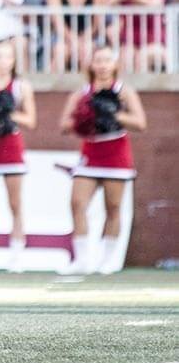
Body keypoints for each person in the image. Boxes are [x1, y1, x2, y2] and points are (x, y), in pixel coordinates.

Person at [59, 45, 146, 274]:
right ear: (91, 64)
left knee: (113, 207)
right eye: (98, 60)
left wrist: (114, 113)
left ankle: (108, 259)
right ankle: (83, 259)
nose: (103, 65)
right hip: (90, 150)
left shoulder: (124, 91)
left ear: (115, 64)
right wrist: (84, 117)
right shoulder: (82, 92)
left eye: (107, 60)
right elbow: (64, 125)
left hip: (116, 150)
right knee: (77, 203)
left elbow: (140, 122)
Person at [0, 41, 37, 273]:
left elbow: (31, 120)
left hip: (12, 144)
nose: (3, 62)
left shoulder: (22, 86)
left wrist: (10, 112)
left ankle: (17, 255)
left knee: (15, 203)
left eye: (7, 57)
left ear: (14, 60)